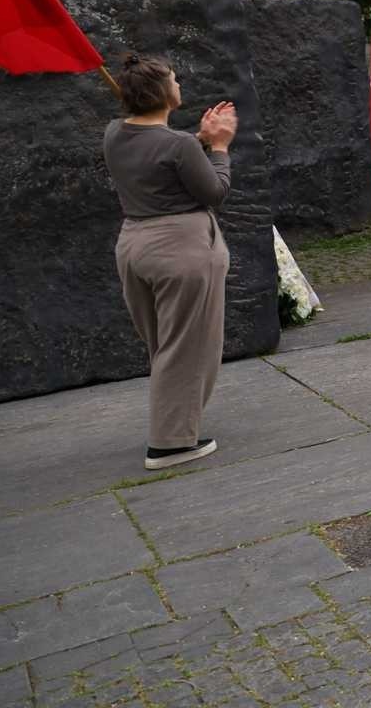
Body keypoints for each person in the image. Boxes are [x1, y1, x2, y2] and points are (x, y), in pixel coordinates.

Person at [103, 54, 237, 470]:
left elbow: (159, 154)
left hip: (135, 245)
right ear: (162, 93)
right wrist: (218, 147)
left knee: (164, 343)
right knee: (188, 344)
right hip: (181, 248)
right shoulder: (177, 144)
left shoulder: (113, 133)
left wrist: (197, 138)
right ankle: (171, 443)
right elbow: (215, 191)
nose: (179, 83)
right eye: (174, 79)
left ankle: (174, 425)